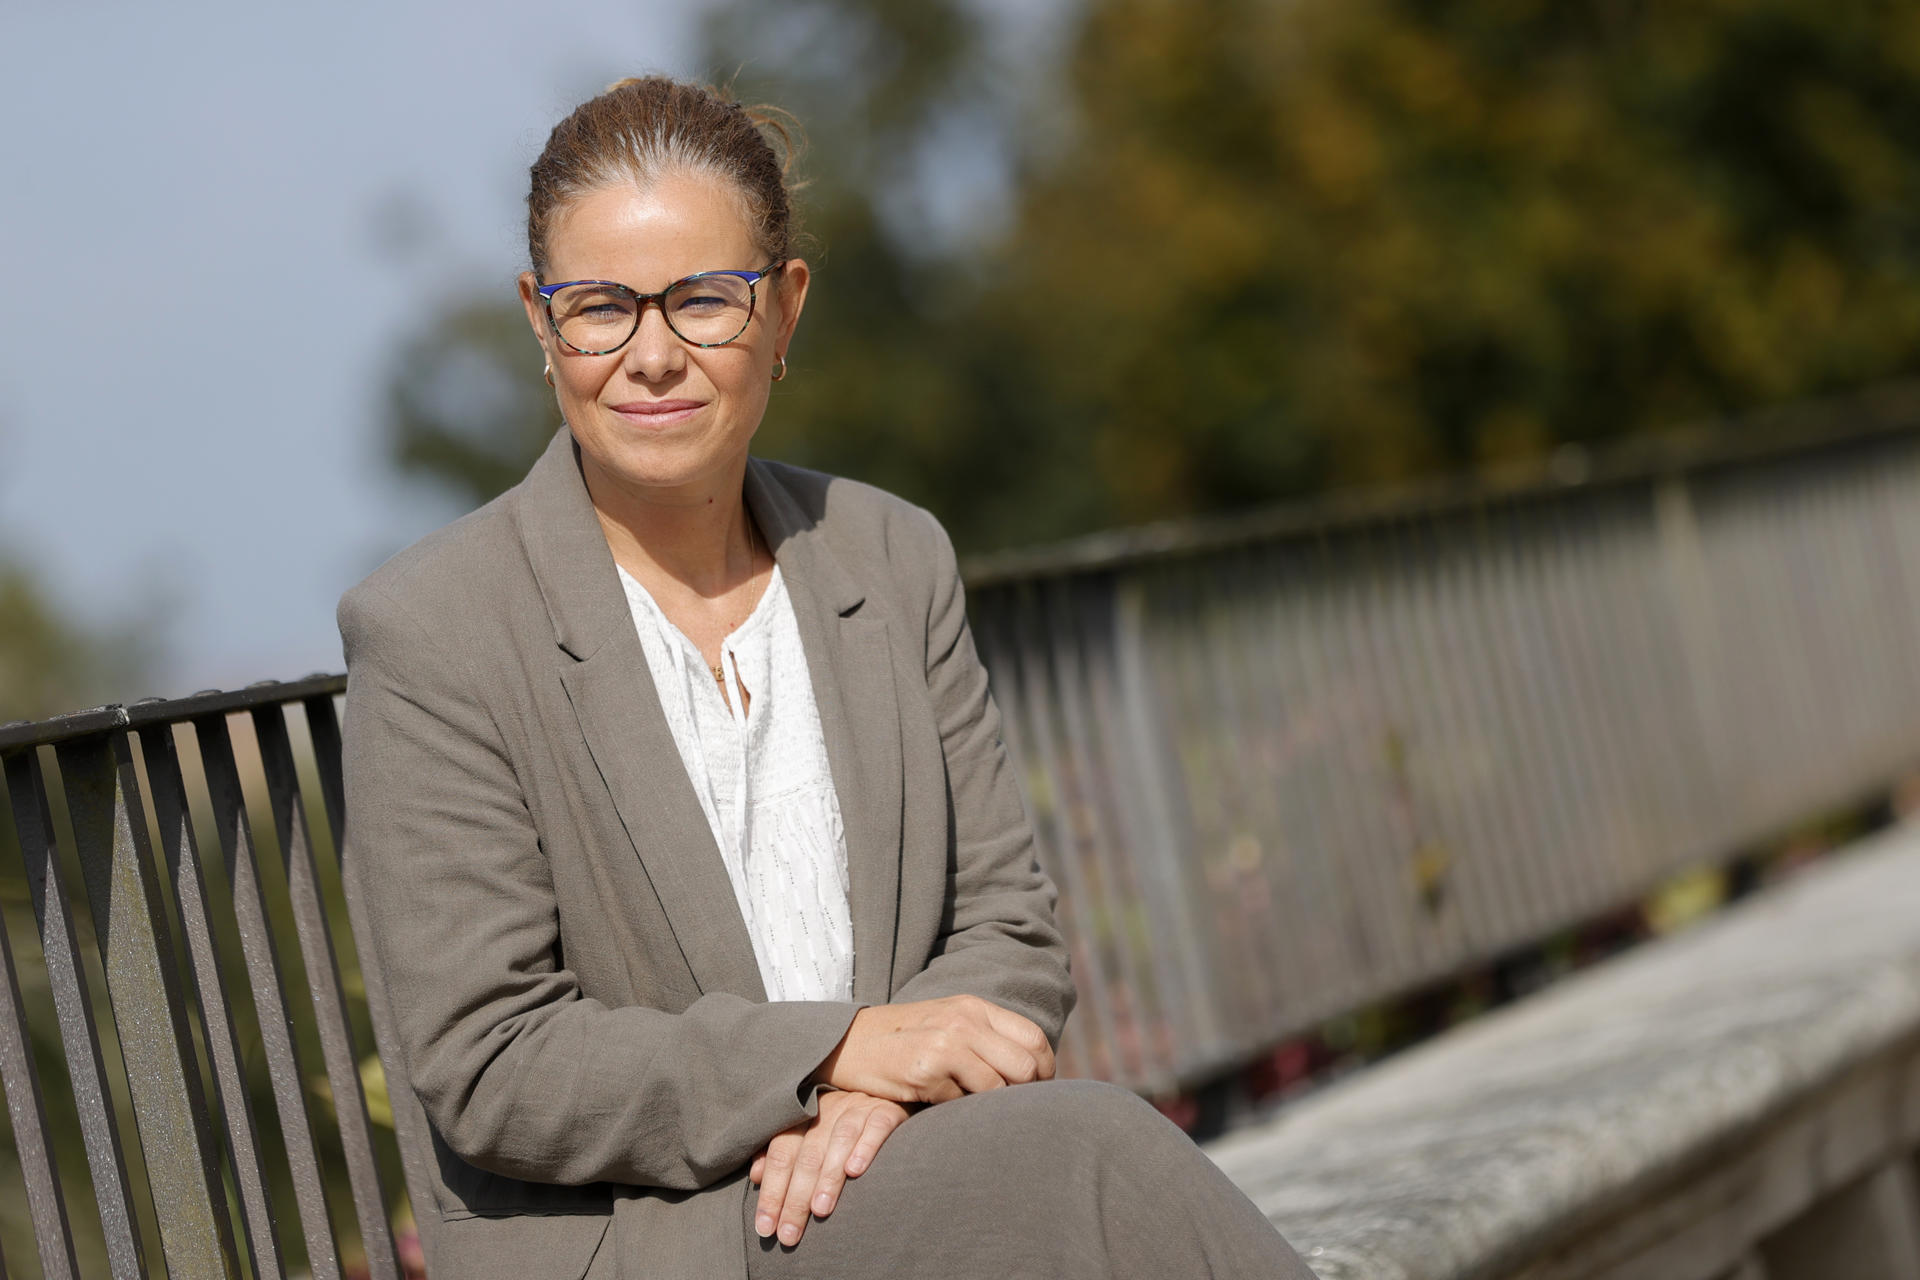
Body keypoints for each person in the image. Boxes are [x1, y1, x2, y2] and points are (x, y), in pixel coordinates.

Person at [338, 75, 1317, 1280]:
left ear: (786, 308)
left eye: (704, 299)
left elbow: (1008, 927)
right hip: (654, 1243)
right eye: (600, 308)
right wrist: (833, 1054)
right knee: (1090, 1158)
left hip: (891, 1185)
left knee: (1079, 1176)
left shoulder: (891, 556)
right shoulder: (434, 627)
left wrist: (875, 1103)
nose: (653, 356)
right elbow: (493, 1058)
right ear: (542, 323)